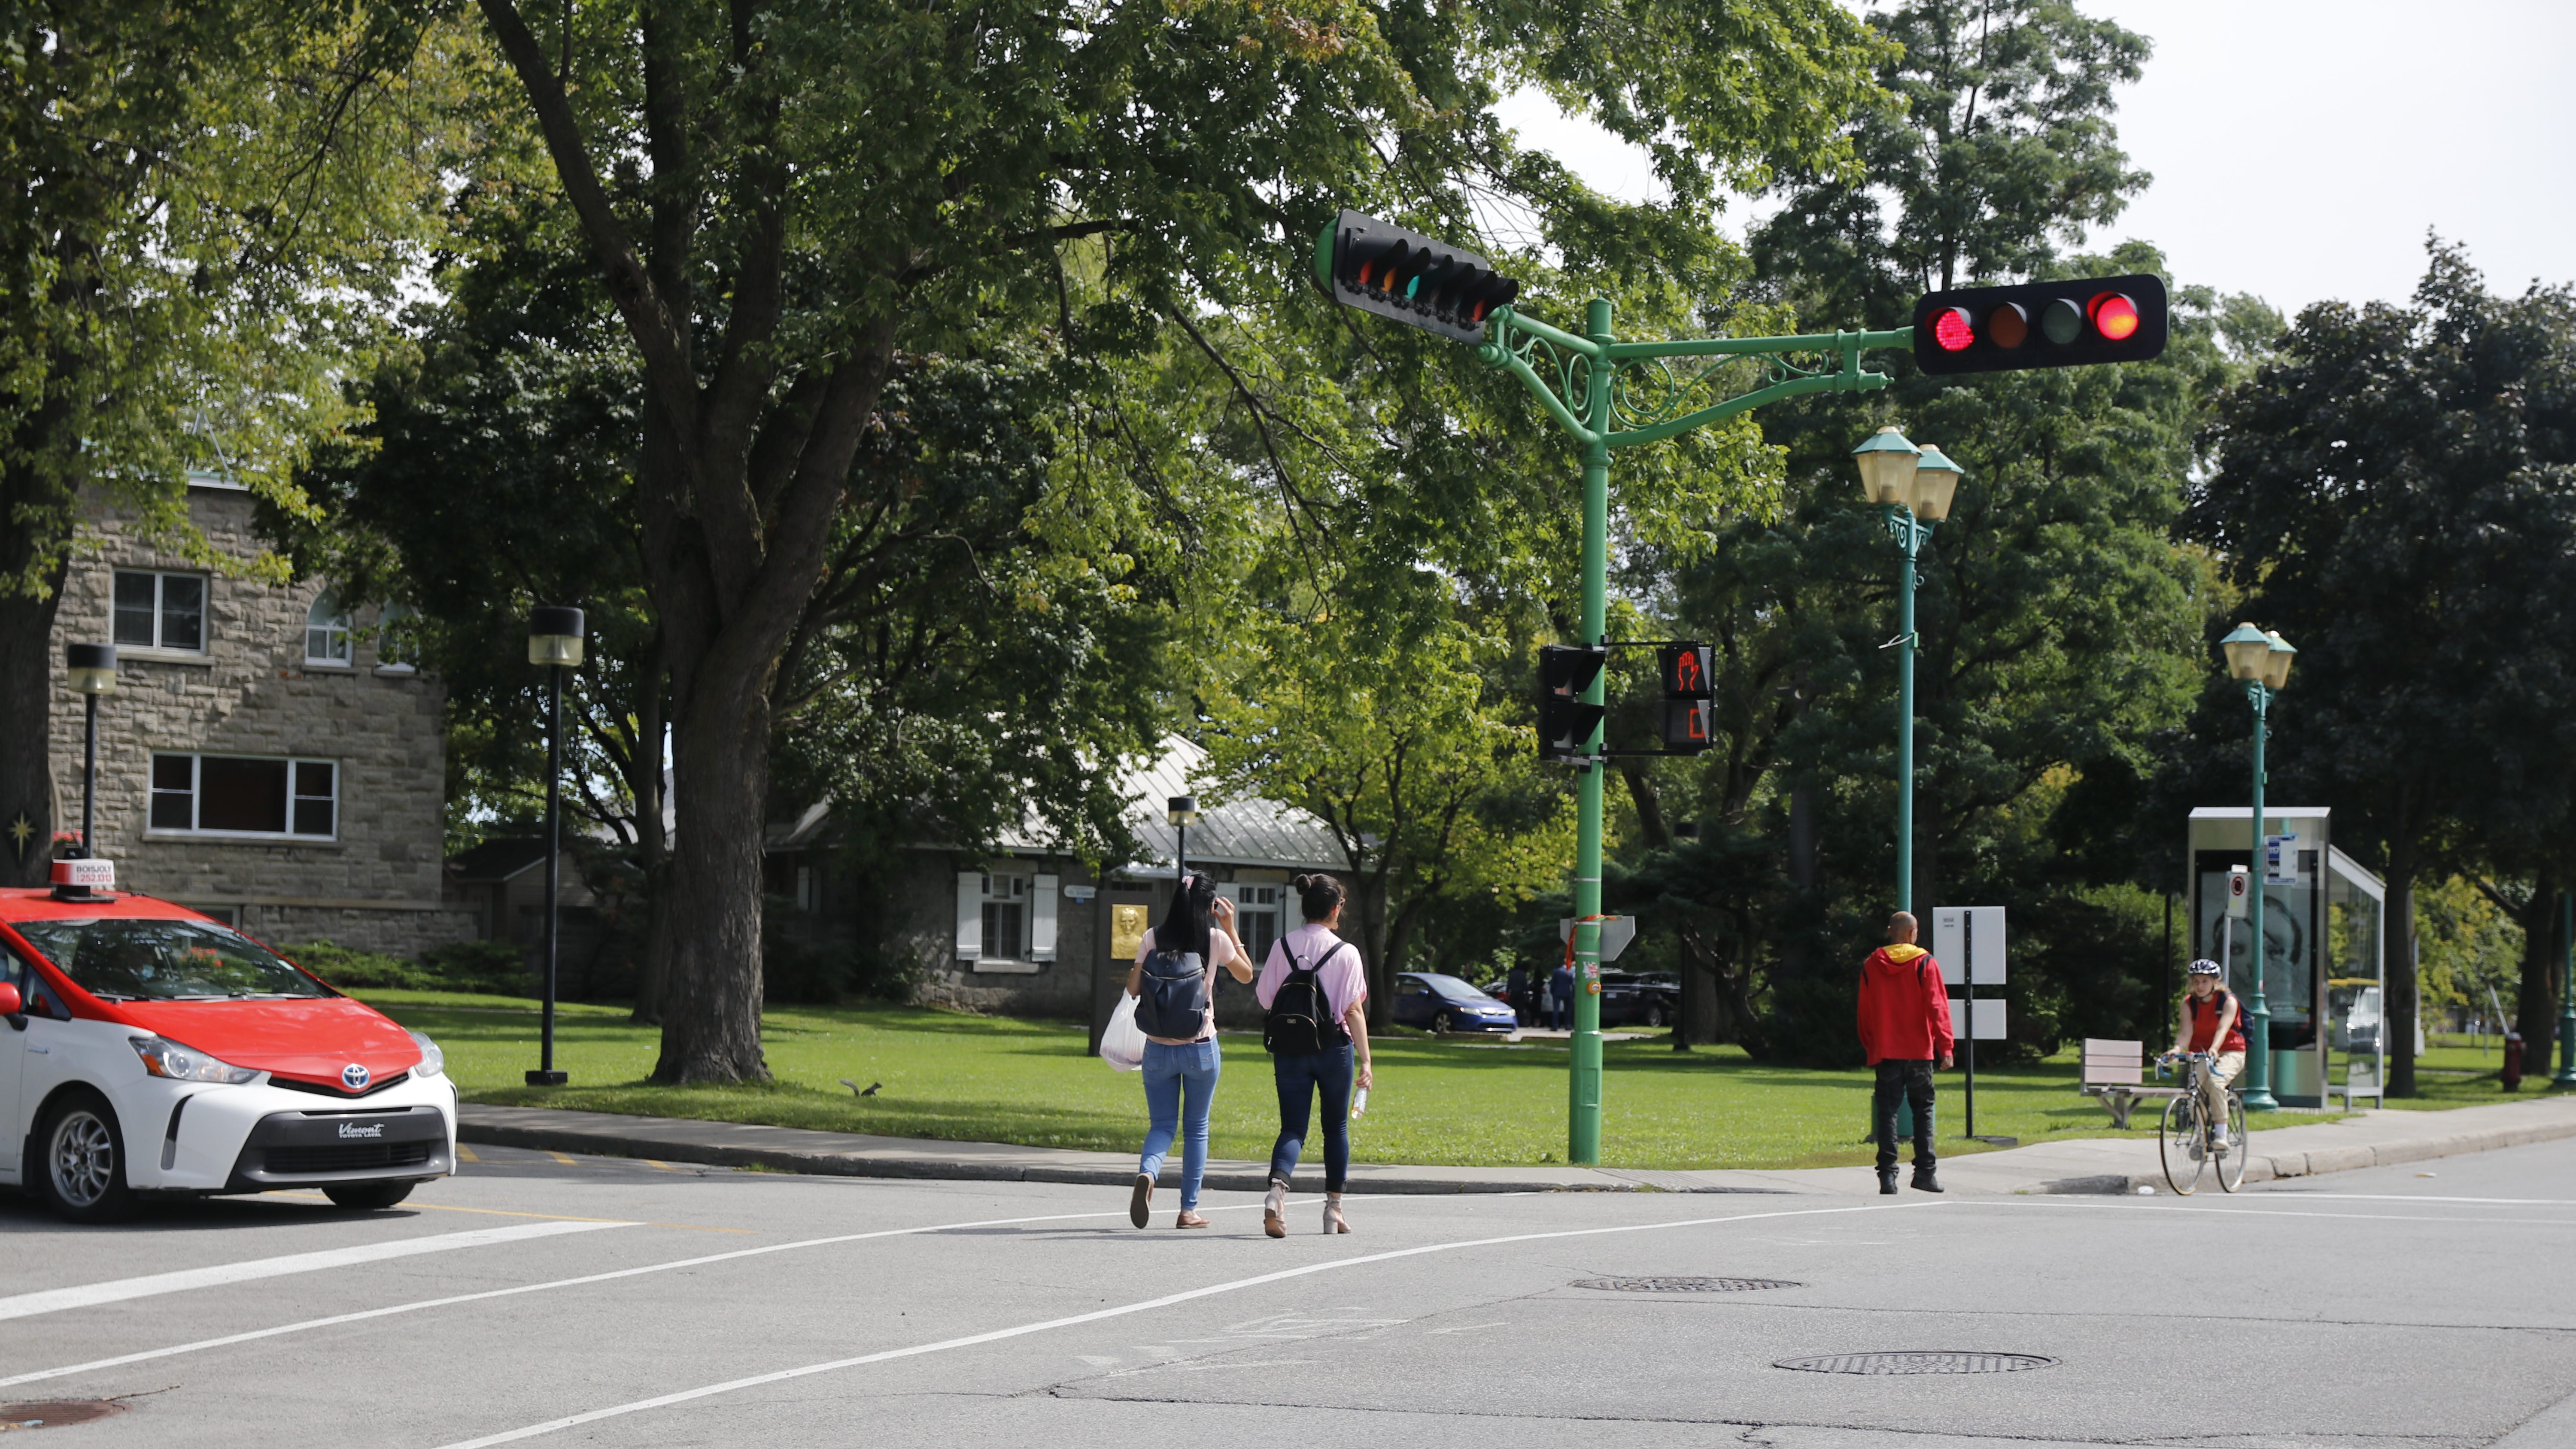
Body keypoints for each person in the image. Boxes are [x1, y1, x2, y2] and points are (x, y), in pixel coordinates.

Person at [1126, 872, 1255, 1230]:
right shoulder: (1215, 940)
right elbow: (1246, 976)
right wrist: (1231, 928)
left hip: (1157, 1048)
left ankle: (1149, 1175)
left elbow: (1134, 988)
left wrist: (1143, 959)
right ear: (1211, 905)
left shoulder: (1152, 936)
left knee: (1162, 1125)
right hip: (1200, 1046)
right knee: (1196, 1127)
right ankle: (1188, 1210)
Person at [1253, 872, 1372, 1237]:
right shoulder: (1347, 953)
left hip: (1290, 1048)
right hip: (1334, 1048)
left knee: (1292, 1127)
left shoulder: (1282, 946)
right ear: (1336, 908)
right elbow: (1353, 1011)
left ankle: (1277, 1193)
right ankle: (1333, 1209)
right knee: (1335, 1127)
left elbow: (1265, 998)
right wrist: (1366, 1061)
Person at [1857, 910, 1953, 1194]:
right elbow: (1938, 1006)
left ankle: (1887, 1176)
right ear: (1913, 933)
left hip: (1886, 1050)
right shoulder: (1925, 962)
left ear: (1890, 931)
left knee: (1887, 1111)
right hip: (1919, 1051)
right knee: (1923, 1110)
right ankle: (1925, 1173)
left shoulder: (1872, 964)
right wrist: (1945, 1046)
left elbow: (1864, 1011)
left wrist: (1871, 1044)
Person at [2168, 958, 2247, 1145]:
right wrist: (2177, 1049)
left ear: (2215, 982)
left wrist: (2214, 1048)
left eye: (2204, 981)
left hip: (2231, 1050)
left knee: (2217, 1082)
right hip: (2201, 1052)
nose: (2199, 986)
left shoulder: (2228, 1001)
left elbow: (2223, 1028)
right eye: (2196, 981)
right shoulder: (2189, 1004)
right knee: (2197, 1088)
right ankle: (2201, 1133)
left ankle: (2221, 1134)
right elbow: (2186, 1033)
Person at [1549, 959, 1574, 1031]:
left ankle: (1555, 1026)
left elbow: (1553, 982)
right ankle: (1568, 1025)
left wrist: (1552, 991)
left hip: (1557, 992)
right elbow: (1572, 984)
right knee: (1568, 1010)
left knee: (1556, 1010)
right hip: (1567, 992)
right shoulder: (1570, 972)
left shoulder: (1557, 971)